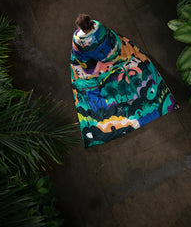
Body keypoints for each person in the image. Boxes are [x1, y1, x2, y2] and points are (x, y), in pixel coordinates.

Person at [70, 14, 179, 148]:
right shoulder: (99, 27)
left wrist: (91, 67)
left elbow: (81, 58)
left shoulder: (77, 40)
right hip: (111, 55)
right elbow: (112, 39)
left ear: (79, 27)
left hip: (96, 63)